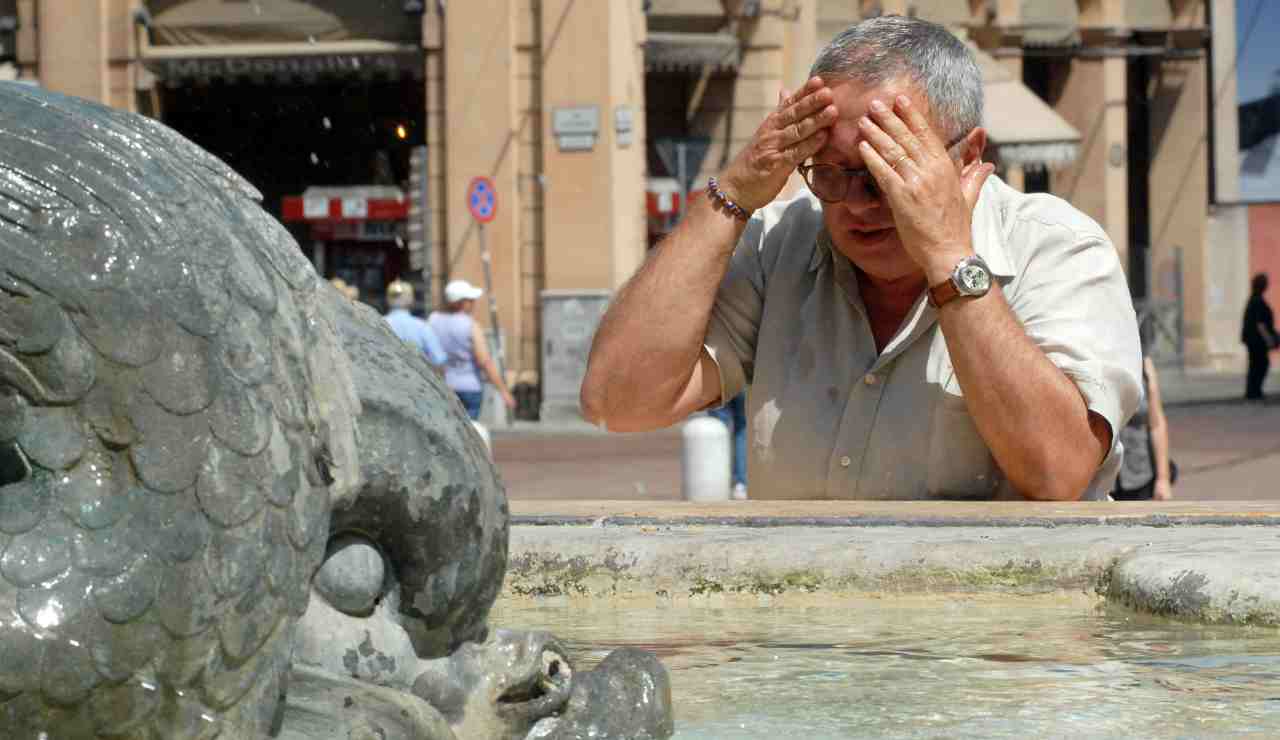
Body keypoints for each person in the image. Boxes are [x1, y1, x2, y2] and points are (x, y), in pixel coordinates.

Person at [580, 15, 1142, 501]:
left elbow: (1058, 472)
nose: (854, 205)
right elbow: (618, 402)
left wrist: (949, 258)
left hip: (995, 624)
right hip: (806, 623)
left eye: (882, 176)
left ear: (968, 156)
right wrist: (730, 197)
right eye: (829, 173)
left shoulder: (1058, 247)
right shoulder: (781, 242)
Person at [429, 279, 516, 420]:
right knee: (469, 434)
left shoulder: (433, 320)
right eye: (471, 300)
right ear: (462, 302)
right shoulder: (471, 325)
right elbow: (485, 361)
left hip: (443, 386)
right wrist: (504, 391)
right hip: (470, 387)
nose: (473, 303)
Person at [1111, 356, 1174, 501]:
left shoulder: (1144, 364)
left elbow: (1156, 425)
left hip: (1140, 475)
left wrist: (1163, 479)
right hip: (1101, 480)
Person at [384, 279, 447, 370]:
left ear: (388, 299)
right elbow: (439, 360)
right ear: (411, 299)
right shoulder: (422, 326)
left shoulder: (378, 323)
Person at [1242, 273, 1277, 402]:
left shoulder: (1254, 299)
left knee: (1257, 364)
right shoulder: (1257, 301)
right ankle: (1253, 391)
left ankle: (1253, 391)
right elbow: (1260, 324)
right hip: (1256, 340)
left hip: (1253, 339)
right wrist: (1269, 339)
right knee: (1260, 364)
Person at [709, 391, 749, 500]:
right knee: (742, 428)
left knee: (717, 429)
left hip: (718, 382)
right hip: (743, 381)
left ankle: (716, 481)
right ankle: (740, 484)